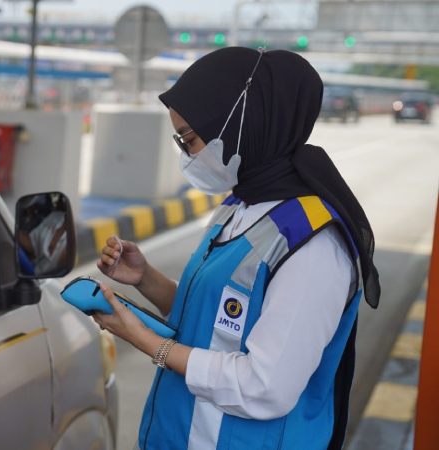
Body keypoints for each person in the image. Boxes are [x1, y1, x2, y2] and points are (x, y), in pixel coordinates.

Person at [93, 47, 380, 450]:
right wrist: (146, 280)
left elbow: (264, 387)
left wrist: (145, 341)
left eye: (189, 139)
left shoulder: (314, 244)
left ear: (245, 125)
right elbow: (220, 321)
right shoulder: (238, 205)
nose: (187, 154)